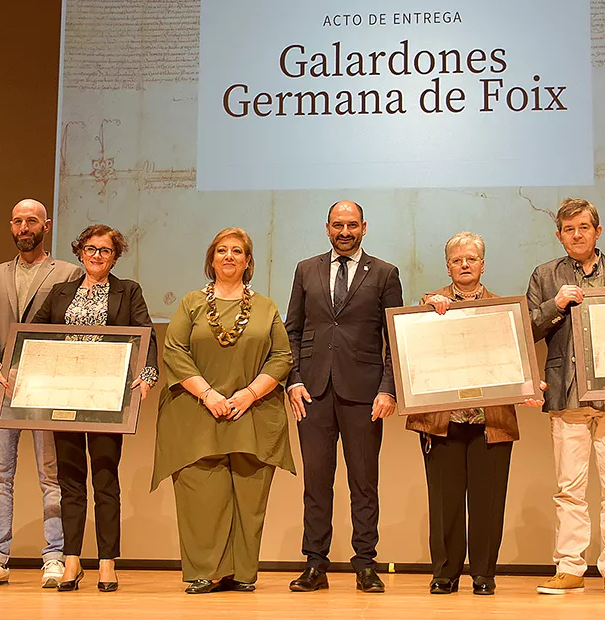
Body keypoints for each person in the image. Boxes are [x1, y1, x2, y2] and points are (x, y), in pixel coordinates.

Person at [153, 227, 294, 593]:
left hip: (254, 413)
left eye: (237, 251)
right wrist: (208, 395)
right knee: (202, 496)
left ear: (248, 261)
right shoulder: (190, 303)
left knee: (249, 498)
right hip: (197, 413)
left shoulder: (266, 307)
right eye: (221, 251)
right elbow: (175, 351)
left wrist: (248, 394)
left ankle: (241, 573)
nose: (229, 256)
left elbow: (282, 356)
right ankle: (205, 571)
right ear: (211, 259)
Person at [526, 199, 605, 598]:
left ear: (598, 231)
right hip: (567, 394)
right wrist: (556, 304)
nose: (576, 235)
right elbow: (527, 329)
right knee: (569, 488)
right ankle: (570, 566)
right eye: (568, 229)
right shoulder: (545, 276)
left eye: (583, 227)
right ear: (559, 236)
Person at [407, 232, 537, 596]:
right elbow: (413, 344)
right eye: (457, 260)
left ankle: (483, 573)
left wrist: (528, 386)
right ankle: (445, 573)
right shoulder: (431, 305)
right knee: (445, 502)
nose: (464, 265)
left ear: (483, 264)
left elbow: (519, 361)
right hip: (443, 422)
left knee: (488, 500)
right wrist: (425, 307)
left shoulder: (506, 309)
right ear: (448, 267)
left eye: (471, 259)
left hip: (490, 421)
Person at [31, 223, 158, 592]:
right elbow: (31, 333)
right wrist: (10, 371)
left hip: (107, 399)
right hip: (64, 395)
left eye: (105, 250)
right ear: (80, 252)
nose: (97, 255)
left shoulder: (128, 291)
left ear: (115, 256)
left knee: (104, 480)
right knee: (70, 482)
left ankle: (106, 562)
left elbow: (145, 335)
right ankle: (72, 560)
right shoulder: (60, 292)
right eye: (90, 248)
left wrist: (147, 374)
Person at [284, 201, 404, 593]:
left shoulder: (385, 273)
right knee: (316, 483)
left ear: (364, 227)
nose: (345, 231)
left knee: (364, 483)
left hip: (365, 393)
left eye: (352, 225)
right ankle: (315, 564)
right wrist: (294, 380)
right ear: (327, 227)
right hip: (313, 393)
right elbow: (293, 331)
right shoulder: (306, 269)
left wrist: (388, 388)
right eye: (338, 225)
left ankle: (365, 565)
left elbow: (394, 339)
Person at [0, 199, 81, 589]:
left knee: (52, 475)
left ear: (46, 226)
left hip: (47, 388)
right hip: (2, 387)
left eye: (31, 220)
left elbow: (70, 331)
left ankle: (54, 555)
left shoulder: (69, 272)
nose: (24, 227)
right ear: (10, 226)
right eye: (17, 221)